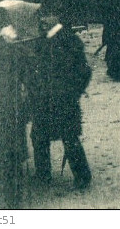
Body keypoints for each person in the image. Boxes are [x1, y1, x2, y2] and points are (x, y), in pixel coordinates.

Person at [26, 16, 93, 190]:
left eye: (47, 16)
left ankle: (82, 176)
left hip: (63, 100)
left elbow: (84, 71)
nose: (42, 21)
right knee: (40, 137)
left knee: (69, 138)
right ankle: (43, 174)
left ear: (56, 18)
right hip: (45, 100)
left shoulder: (68, 40)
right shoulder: (41, 41)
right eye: (41, 17)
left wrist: (73, 92)